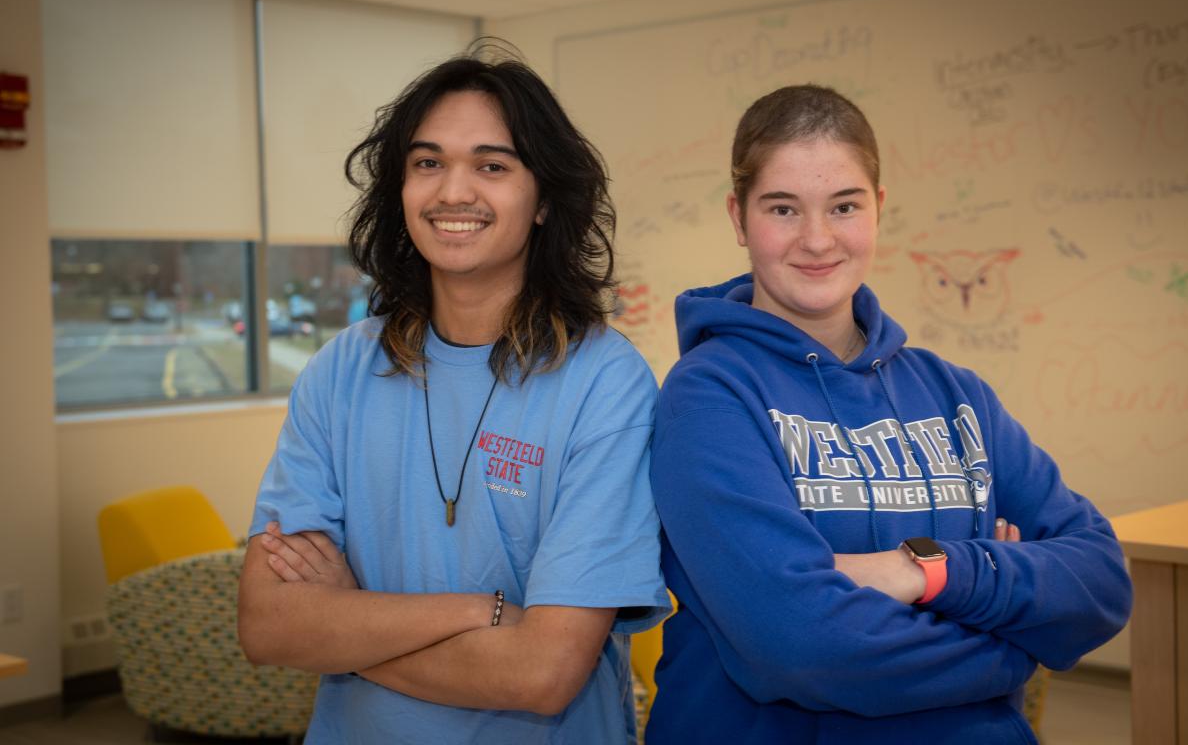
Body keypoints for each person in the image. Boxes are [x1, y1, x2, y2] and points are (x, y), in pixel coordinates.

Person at [646, 85, 1132, 744]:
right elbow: (800, 645)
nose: (817, 240)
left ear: (878, 208)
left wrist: (924, 569)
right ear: (739, 218)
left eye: (843, 206)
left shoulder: (955, 393)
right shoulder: (708, 396)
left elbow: (1101, 582)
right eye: (783, 208)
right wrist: (1017, 644)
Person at [237, 45, 670, 744]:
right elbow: (268, 625)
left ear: (543, 202)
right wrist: (485, 613)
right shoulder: (340, 372)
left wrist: (350, 621)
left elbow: (543, 673)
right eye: (427, 162)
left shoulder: (605, 383)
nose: (451, 193)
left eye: (492, 166)